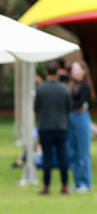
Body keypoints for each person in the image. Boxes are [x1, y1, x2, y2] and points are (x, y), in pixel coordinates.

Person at [34, 61, 73, 195]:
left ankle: (46, 186)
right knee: (63, 156)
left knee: (47, 157)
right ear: (57, 73)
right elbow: (69, 107)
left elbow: (36, 108)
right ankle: (64, 185)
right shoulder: (64, 89)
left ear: (46, 73)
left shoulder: (41, 89)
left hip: (45, 126)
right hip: (61, 126)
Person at [66, 60, 92, 192]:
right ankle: (77, 181)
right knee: (72, 150)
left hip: (81, 117)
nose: (74, 72)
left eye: (77, 69)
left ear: (84, 70)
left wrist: (69, 103)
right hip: (71, 117)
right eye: (73, 69)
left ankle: (85, 182)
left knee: (83, 151)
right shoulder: (71, 85)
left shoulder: (85, 86)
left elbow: (79, 102)